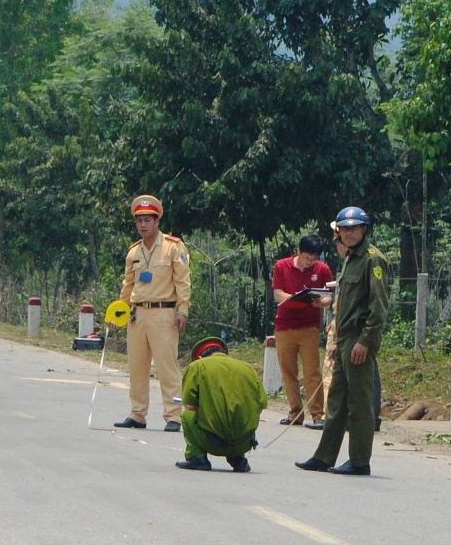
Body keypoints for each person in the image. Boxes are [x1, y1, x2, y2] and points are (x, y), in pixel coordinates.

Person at [297, 206, 389, 477]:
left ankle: (360, 461)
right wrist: (337, 341)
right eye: (344, 229)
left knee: (360, 404)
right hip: (345, 338)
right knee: (336, 400)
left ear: (364, 229)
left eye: (354, 228)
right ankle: (324, 456)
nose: (349, 233)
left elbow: (379, 306)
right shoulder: (350, 259)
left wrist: (366, 341)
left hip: (360, 338)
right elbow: (344, 304)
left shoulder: (373, 260)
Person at [113, 195, 190, 432]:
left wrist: (183, 310)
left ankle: (174, 415)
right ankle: (137, 414)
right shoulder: (133, 252)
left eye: (147, 220)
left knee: (167, 367)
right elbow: (128, 285)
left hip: (163, 312)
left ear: (157, 221)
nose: (143, 225)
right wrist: (119, 311)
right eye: (139, 221)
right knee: (137, 367)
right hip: (138, 315)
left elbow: (183, 281)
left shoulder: (173, 247)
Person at [271, 233, 334, 428]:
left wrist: (319, 302)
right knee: (288, 371)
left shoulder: (323, 270)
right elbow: (277, 294)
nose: (310, 262)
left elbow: (328, 298)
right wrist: (296, 298)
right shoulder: (281, 266)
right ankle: (295, 413)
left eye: (314, 259)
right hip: (285, 326)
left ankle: (317, 414)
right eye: (307, 257)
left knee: (311, 371)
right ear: (298, 251)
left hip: (309, 327)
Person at [176, 338, 264, 472]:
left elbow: (190, 406)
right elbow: (260, 407)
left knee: (187, 415)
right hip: (244, 443)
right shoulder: (248, 368)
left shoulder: (198, 366)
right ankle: (238, 459)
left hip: (212, 442)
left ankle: (197, 458)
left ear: (200, 357)